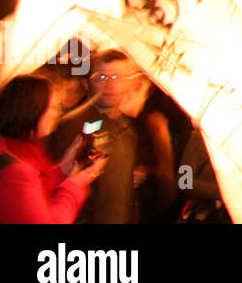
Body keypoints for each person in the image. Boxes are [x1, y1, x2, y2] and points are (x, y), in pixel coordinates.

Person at [48, 50, 172, 224]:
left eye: (117, 78)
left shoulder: (129, 130)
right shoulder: (70, 128)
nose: (110, 85)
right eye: (102, 78)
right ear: (86, 84)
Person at [0, 74, 105, 223]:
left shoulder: (5, 146)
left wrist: (63, 168)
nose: (58, 113)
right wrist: (75, 186)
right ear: (32, 109)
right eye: (53, 107)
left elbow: (32, 192)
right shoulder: (14, 173)